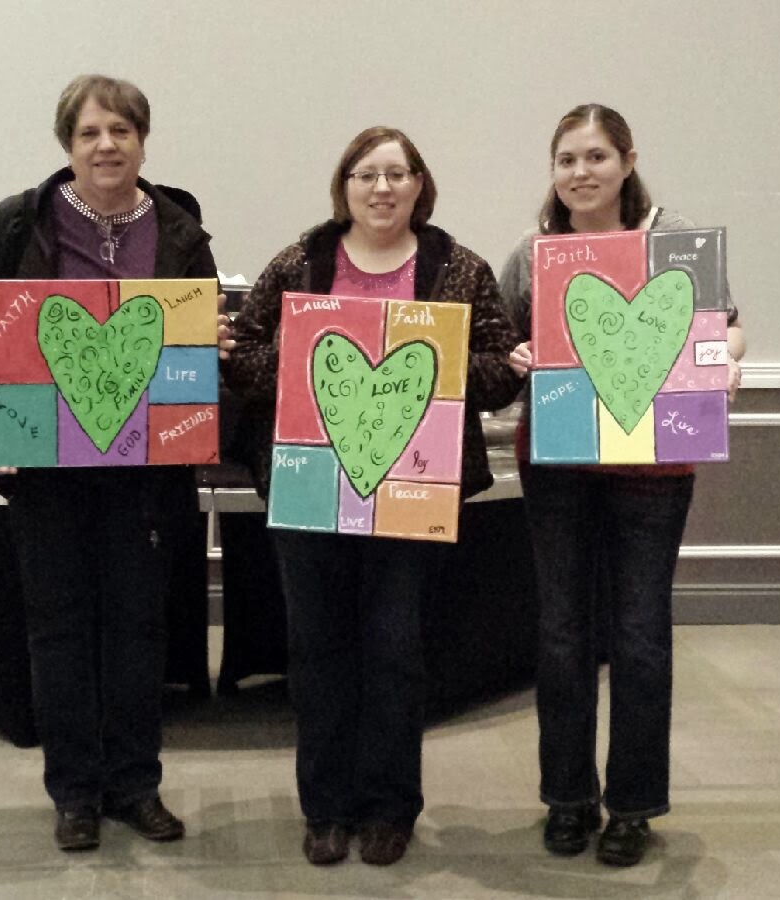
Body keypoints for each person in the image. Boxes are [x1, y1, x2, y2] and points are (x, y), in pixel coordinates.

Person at [225, 126, 522, 867]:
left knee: (397, 652)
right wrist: (305, 354)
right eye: (366, 174)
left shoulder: (460, 268)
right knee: (317, 650)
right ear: (345, 186)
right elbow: (244, 359)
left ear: (420, 185)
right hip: (309, 487)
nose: (382, 188)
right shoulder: (301, 261)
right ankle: (325, 809)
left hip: (415, 490)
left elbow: (498, 373)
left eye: (396, 174)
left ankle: (390, 808)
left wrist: (445, 363)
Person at [0, 74, 215, 852]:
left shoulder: (181, 231)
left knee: (138, 630)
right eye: (91, 132)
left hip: (146, 474)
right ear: (68, 143)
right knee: (58, 632)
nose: (106, 145)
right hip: (46, 470)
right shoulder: (20, 220)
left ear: (143, 142)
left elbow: (196, 344)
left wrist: (210, 352)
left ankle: (135, 786)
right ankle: (74, 794)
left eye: (121, 131)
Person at [498, 103, 746, 867]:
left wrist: (729, 359)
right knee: (562, 634)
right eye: (567, 159)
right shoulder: (534, 254)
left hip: (654, 470)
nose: (582, 172)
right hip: (557, 465)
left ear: (628, 161)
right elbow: (501, 341)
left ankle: (634, 806)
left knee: (639, 637)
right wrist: (514, 357)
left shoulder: (676, 246)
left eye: (597, 156)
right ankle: (568, 797)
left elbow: (727, 326)